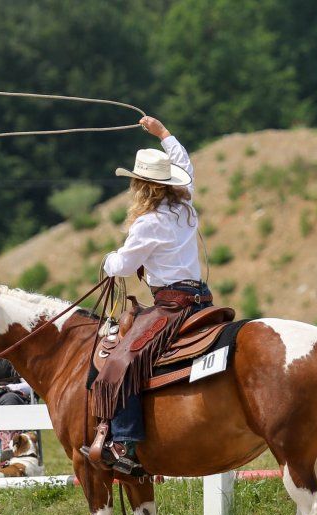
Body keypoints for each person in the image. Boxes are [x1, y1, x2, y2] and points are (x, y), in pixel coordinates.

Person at [85, 116, 214, 475]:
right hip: (202, 299)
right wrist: (164, 134)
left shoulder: (148, 223)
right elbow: (186, 167)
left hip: (172, 305)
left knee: (122, 360)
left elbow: (123, 266)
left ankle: (124, 442)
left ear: (141, 187)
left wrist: (108, 259)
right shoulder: (186, 209)